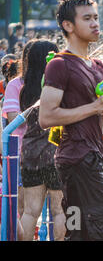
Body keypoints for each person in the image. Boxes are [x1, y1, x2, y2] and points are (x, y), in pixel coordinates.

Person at [38, 0, 103, 241]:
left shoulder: (98, 66)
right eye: (87, 19)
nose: (95, 23)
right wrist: (93, 108)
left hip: (94, 156)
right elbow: (46, 117)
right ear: (68, 26)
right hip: (77, 158)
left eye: (96, 17)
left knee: (81, 233)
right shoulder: (60, 65)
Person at [18, 39, 66, 241]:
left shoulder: (25, 89)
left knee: (30, 211)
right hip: (55, 150)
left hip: (30, 153)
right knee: (59, 210)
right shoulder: (59, 86)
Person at [2, 44, 32, 220]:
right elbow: (13, 119)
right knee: (22, 208)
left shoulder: (53, 82)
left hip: (51, 151)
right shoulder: (16, 84)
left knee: (59, 207)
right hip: (22, 152)